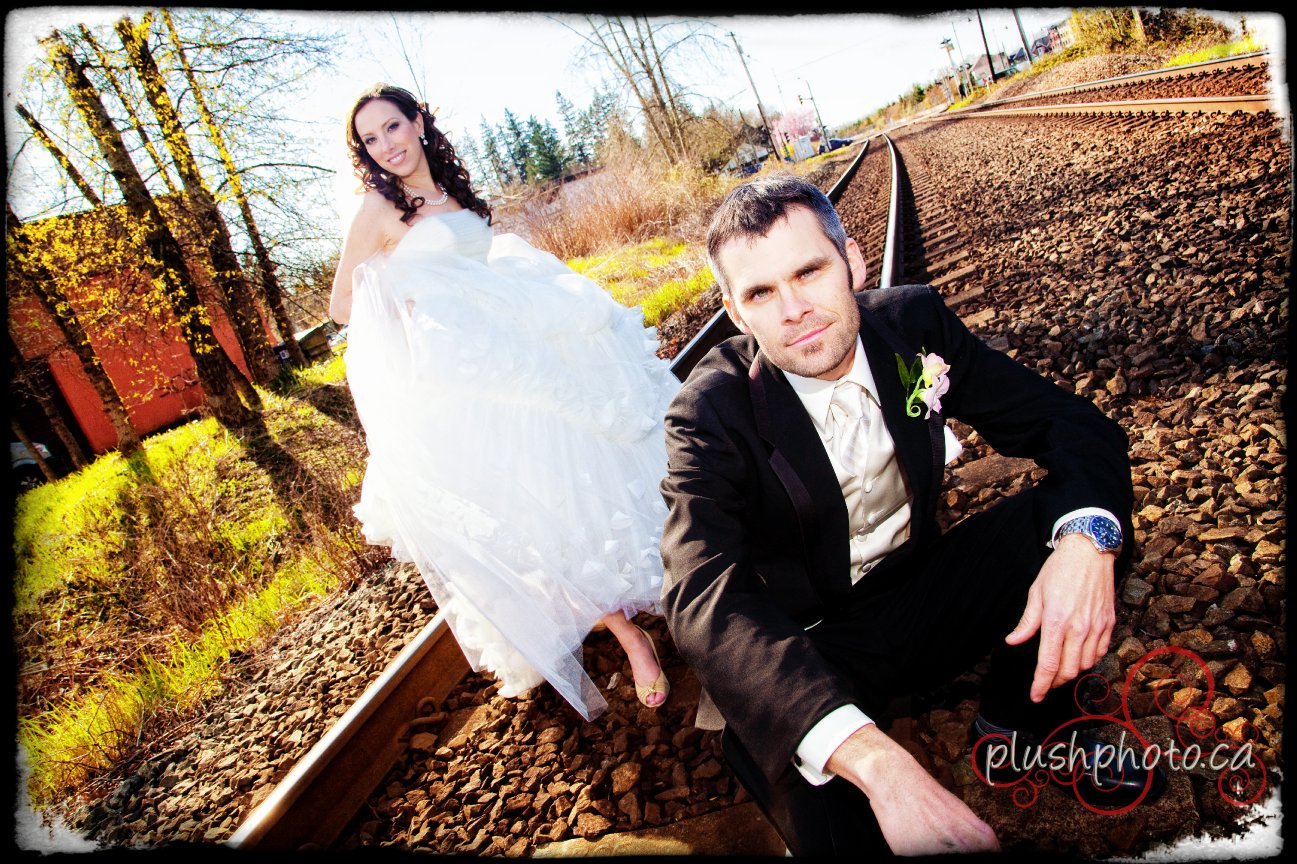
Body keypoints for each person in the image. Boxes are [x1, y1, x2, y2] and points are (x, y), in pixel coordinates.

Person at [659, 176, 1165, 856]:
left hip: (923, 592)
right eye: (760, 293)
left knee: (1076, 522)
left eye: (808, 272)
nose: (794, 310)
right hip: (812, 648)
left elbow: (1066, 423)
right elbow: (700, 591)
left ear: (853, 262)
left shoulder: (913, 325)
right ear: (737, 313)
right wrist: (876, 762)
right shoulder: (708, 411)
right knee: (811, 791)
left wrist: (1085, 545)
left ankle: (1021, 730)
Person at [329, 84, 675, 718]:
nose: (386, 145)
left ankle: (670, 575)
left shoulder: (454, 193)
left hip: (517, 347)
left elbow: (479, 270)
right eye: (370, 139)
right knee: (536, 507)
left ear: (418, 121)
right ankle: (631, 639)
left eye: (392, 127)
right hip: (467, 379)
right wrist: (403, 291)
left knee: (579, 476)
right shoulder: (378, 208)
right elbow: (342, 304)